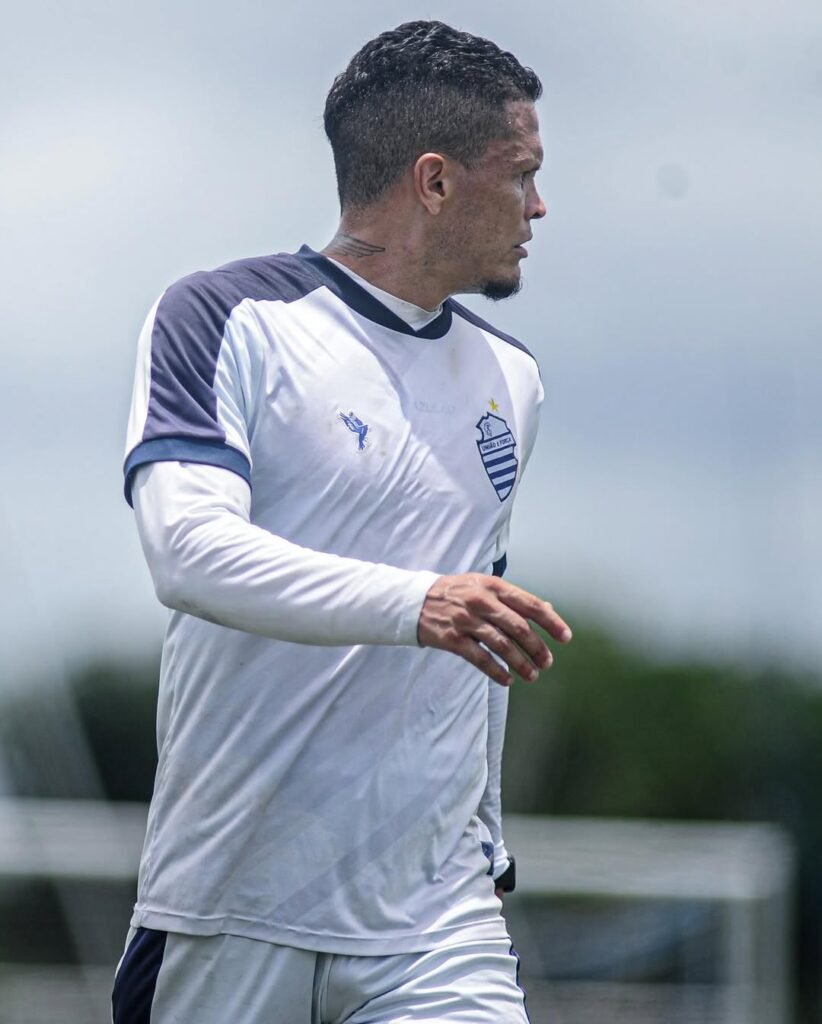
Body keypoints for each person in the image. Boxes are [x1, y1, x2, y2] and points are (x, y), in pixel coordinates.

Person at [113, 18, 571, 1024]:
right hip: (230, 908)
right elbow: (187, 552)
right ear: (435, 181)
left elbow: (479, 644)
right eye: (522, 174)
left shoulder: (512, 378)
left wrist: (487, 841)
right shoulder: (224, 319)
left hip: (437, 923)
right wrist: (418, 603)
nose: (540, 206)